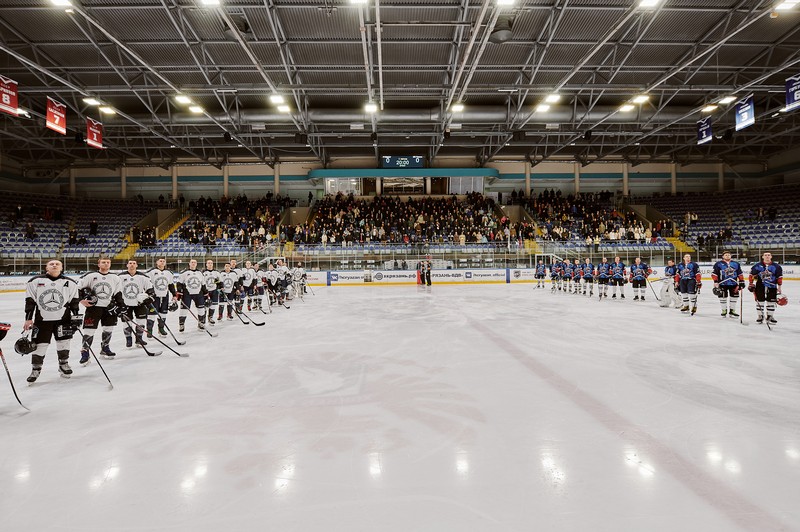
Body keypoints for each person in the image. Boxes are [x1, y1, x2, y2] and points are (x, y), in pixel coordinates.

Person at [22, 259, 81, 383]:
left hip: (63, 319)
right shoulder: (35, 281)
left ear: (62, 267)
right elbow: (30, 301)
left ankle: (63, 364)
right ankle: (36, 369)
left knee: (64, 343)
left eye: (57, 264)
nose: (54, 265)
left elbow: (74, 302)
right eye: (51, 264)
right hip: (42, 320)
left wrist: (75, 317)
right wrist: (28, 319)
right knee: (40, 345)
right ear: (46, 267)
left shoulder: (70, 282)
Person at [78, 255, 124, 363]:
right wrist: (81, 300)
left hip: (109, 308)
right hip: (93, 308)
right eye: (103, 262)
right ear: (98, 264)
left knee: (108, 329)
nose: (106, 264)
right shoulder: (90, 276)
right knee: (89, 331)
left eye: (108, 262)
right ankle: (85, 352)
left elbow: (118, 293)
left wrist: (121, 306)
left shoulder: (115, 278)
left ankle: (105, 348)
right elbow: (78, 288)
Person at [118, 259, 156, 349]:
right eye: (130, 263)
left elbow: (150, 290)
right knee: (127, 322)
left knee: (141, 321)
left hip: (139, 303)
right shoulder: (120, 277)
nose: (132, 265)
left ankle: (139, 339)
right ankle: (128, 338)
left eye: (134, 263)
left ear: (137, 265)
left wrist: (149, 298)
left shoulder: (143, 277)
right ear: (127, 265)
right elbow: (116, 290)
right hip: (125, 303)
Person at [749, 252, 783, 325]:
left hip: (772, 285)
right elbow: (751, 275)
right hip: (760, 285)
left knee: (771, 301)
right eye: (765, 255)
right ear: (762, 257)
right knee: (760, 300)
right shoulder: (757, 266)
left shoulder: (777, 266)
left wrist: (779, 286)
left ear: (771, 256)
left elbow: (779, 277)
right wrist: (751, 284)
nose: (767, 256)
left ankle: (770, 316)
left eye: (768, 255)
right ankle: (760, 316)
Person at [146, 257, 176, 338]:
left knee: (163, 313)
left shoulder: (168, 273)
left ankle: (161, 328)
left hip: (165, 295)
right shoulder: (151, 272)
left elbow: (171, 285)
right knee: (151, 314)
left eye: (163, 261)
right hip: (154, 297)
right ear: (156, 262)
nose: (162, 262)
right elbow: (146, 284)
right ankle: (149, 330)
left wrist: (174, 294)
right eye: (160, 261)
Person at [177, 259, 208, 331]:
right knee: (184, 310)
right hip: (187, 293)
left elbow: (203, 284)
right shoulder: (184, 273)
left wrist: (206, 293)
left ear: (196, 264)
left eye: (195, 262)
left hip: (198, 293)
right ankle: (181, 324)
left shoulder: (200, 273)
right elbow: (179, 284)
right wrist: (179, 293)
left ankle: (201, 323)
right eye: (192, 262)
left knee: (201, 309)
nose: (193, 263)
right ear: (189, 264)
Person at [712, 251, 744, 318]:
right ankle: (724, 310)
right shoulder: (718, 264)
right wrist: (715, 281)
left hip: (734, 283)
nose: (727, 256)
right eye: (726, 255)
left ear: (731, 256)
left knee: (734, 297)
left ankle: (732, 311)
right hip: (722, 283)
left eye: (729, 255)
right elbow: (714, 274)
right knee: (723, 297)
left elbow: (739, 273)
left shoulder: (736, 264)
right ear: (723, 256)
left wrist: (741, 281)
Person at [202, 259, 222, 325]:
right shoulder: (203, 272)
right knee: (204, 305)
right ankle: (203, 319)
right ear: (206, 264)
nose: (210, 264)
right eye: (208, 263)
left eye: (211, 263)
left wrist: (221, 286)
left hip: (214, 291)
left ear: (212, 264)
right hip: (205, 291)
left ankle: (210, 317)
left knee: (213, 305)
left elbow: (220, 281)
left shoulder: (216, 272)